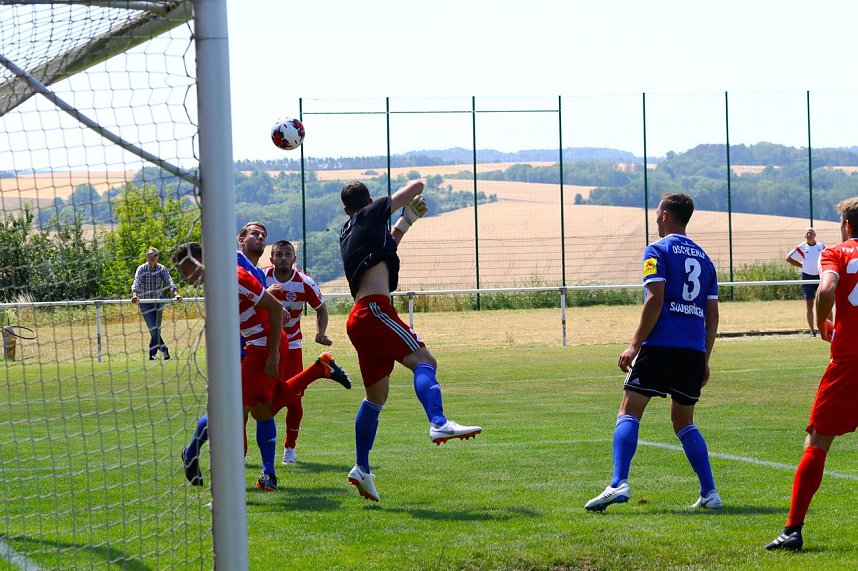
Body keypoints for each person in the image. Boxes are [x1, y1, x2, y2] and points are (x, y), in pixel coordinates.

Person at [339, 179, 482, 502]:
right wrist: (400, 203)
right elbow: (416, 186)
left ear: (345, 210)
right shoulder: (368, 214)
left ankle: (361, 468)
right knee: (425, 362)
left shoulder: (349, 232)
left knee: (375, 398)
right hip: (375, 309)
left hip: (359, 318)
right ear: (371, 202)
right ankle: (439, 421)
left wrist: (405, 222)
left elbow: (385, 248)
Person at [173, 241, 351, 492]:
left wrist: (272, 355)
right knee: (262, 410)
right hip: (259, 346)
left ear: (198, 262)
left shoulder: (231, 277)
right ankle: (268, 474)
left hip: (264, 347)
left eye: (185, 270)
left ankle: (198, 458)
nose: (184, 277)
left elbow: (276, 308)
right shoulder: (219, 281)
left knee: (232, 412)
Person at [584, 192, 721, 512]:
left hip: (660, 344)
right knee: (684, 421)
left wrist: (634, 345)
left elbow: (655, 300)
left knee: (628, 411)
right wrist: (705, 358)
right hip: (692, 350)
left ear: (664, 216)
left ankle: (618, 483)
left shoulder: (657, 250)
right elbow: (713, 315)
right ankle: (710, 492)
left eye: (656, 212)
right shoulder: (705, 258)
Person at [765, 198, 858, 552]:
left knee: (817, 441)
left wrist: (822, 323)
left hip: (849, 360)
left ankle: (792, 530)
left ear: (847, 226)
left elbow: (827, 289)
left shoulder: (837, 253)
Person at [262, 240, 333, 465]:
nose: (283, 258)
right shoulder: (262, 278)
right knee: (257, 397)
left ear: (294, 259)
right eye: (279, 254)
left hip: (292, 346)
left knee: (294, 399)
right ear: (271, 259)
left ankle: (289, 448)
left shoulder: (304, 283)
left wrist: (320, 332)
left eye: (288, 254)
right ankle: (241, 450)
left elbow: (321, 309)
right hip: (263, 345)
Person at [131, 247, 181, 360]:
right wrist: (135, 295)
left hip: (158, 302)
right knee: (153, 329)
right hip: (145, 302)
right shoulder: (141, 269)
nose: (151, 257)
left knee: (156, 329)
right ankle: (164, 349)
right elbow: (136, 282)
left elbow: (170, 281)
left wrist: (176, 294)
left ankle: (152, 355)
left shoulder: (162, 269)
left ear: (158, 257)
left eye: (154, 255)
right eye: (149, 255)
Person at [786, 228, 826, 336]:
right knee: (809, 304)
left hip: (819, 277)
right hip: (807, 277)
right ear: (805, 236)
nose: (809, 235)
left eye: (811, 233)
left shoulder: (821, 246)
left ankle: (827, 329)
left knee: (824, 303)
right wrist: (801, 266)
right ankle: (812, 331)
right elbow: (788, 258)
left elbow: (826, 258)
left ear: (815, 235)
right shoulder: (802, 247)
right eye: (807, 233)